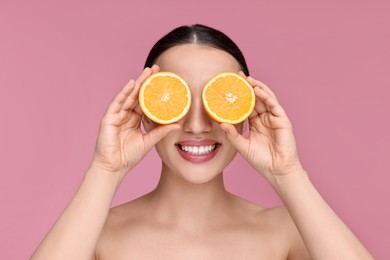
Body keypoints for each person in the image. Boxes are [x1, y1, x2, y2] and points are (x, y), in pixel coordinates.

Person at [31, 24, 373, 259]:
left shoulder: (286, 231)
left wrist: (288, 173)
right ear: (146, 110)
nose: (197, 126)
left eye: (217, 100)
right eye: (176, 101)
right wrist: (105, 170)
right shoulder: (96, 236)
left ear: (246, 111)